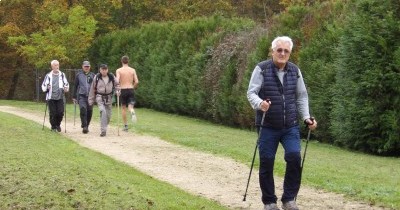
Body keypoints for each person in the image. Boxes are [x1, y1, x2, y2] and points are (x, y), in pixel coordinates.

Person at [247, 36, 317, 210]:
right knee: (267, 161)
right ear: (273, 51)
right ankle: (269, 202)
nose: (282, 53)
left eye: (286, 51)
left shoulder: (295, 71)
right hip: (267, 125)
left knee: (294, 157)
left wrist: (306, 117)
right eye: (279, 50)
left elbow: (301, 96)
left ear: (290, 53)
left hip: (290, 126)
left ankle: (289, 199)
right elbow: (251, 93)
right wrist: (260, 104)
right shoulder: (261, 69)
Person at [88, 64, 120, 137]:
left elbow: (117, 85)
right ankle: (103, 131)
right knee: (103, 111)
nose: (104, 71)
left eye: (105, 69)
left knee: (108, 115)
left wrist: (118, 91)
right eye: (103, 69)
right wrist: (91, 100)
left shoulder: (111, 77)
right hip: (99, 97)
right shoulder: (97, 77)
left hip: (109, 97)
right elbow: (92, 89)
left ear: (107, 70)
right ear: (100, 70)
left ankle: (104, 125)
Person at [41, 60, 69, 132]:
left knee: (60, 112)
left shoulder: (62, 75)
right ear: (52, 66)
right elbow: (43, 86)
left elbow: (66, 84)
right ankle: (53, 127)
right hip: (51, 97)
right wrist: (47, 88)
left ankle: (58, 124)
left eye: (58, 65)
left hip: (60, 96)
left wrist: (66, 88)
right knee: (53, 113)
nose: (57, 66)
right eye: (55, 65)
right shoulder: (48, 76)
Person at [115, 55, 139, 131]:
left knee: (123, 108)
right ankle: (132, 111)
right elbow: (137, 81)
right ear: (128, 61)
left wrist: (117, 88)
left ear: (121, 61)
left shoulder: (119, 70)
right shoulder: (132, 70)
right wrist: (133, 87)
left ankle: (125, 126)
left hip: (123, 90)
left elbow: (117, 80)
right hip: (130, 89)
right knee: (130, 107)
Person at [72, 61, 95, 134]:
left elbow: (96, 86)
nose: (86, 68)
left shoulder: (93, 75)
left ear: (89, 67)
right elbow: (75, 86)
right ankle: (84, 126)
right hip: (82, 95)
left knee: (89, 111)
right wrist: (74, 96)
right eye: (85, 66)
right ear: (82, 67)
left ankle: (87, 125)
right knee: (83, 109)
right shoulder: (79, 75)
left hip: (90, 96)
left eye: (88, 66)